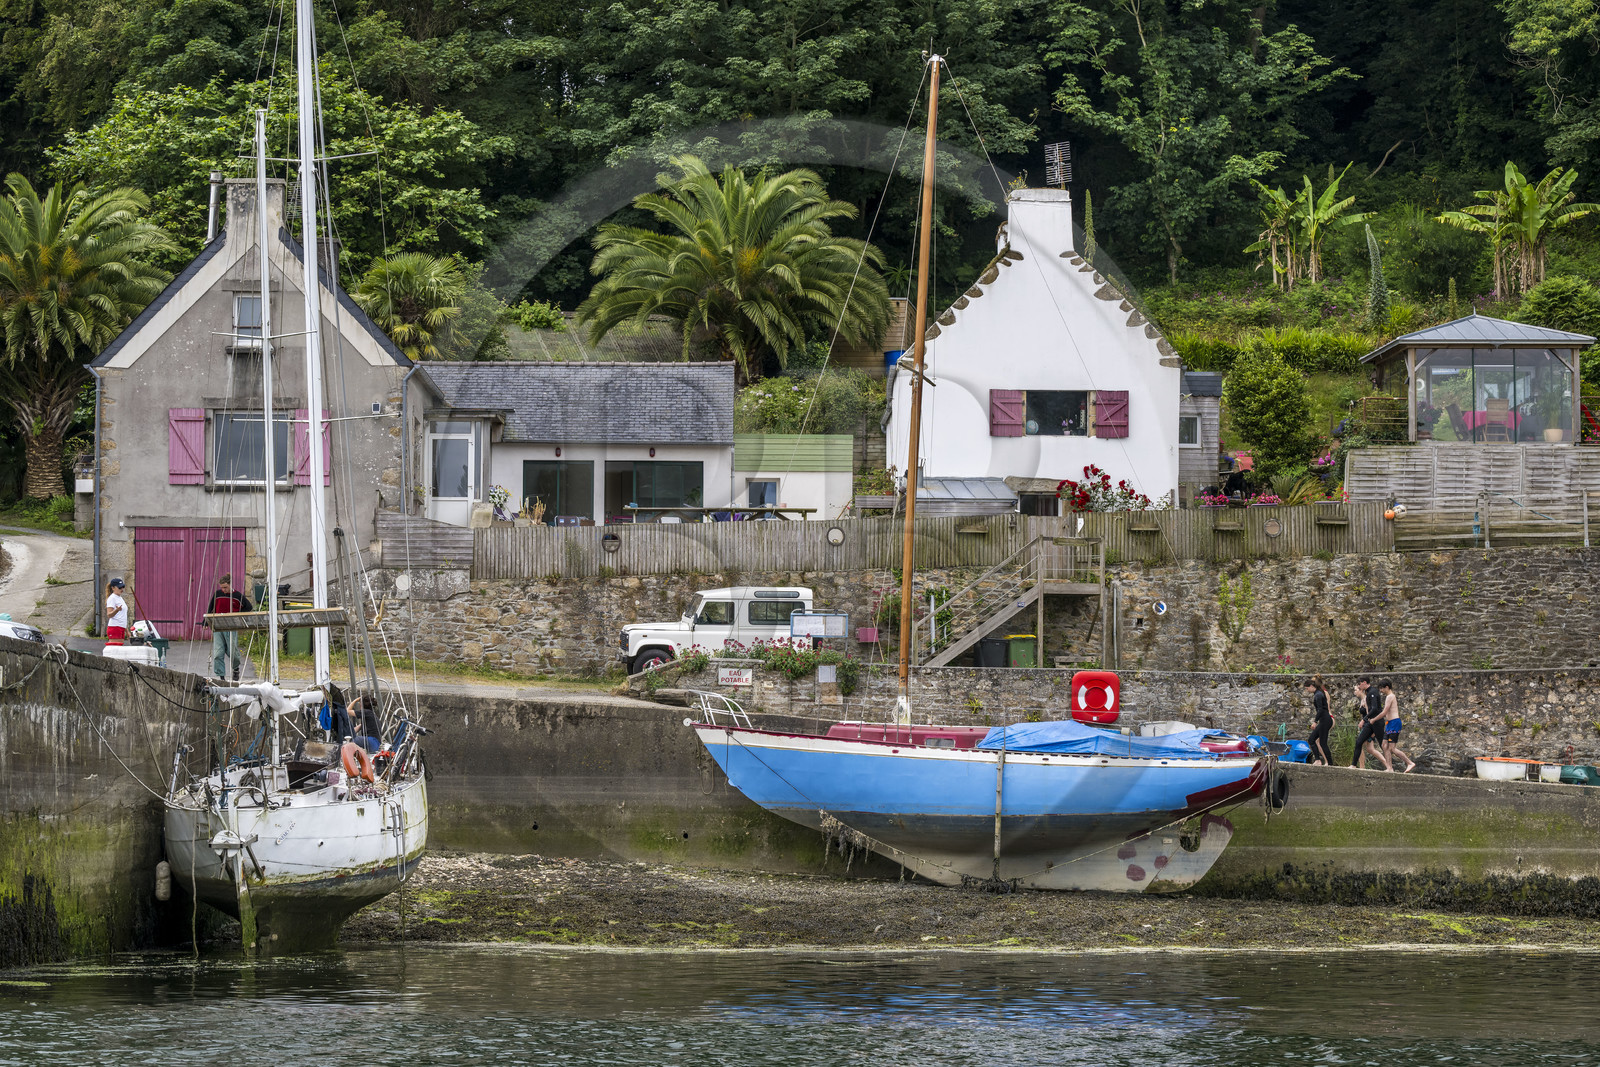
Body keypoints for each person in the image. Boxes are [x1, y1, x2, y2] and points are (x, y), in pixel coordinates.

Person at [207, 573, 252, 682]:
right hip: (218, 626)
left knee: (232, 652)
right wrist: (205, 621)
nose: (223, 590)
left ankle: (235, 668)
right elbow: (211, 608)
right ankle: (221, 677)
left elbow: (248, 607)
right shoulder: (218, 594)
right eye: (222, 587)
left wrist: (238, 615)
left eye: (225, 587)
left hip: (231, 626)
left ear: (230, 585)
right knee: (218, 653)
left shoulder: (237, 596)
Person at [1350, 677, 1391, 771]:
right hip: (1370, 722)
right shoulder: (1368, 693)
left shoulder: (1373, 692)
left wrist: (1364, 719)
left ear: (1364, 682)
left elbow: (1375, 709)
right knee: (1359, 742)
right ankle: (1353, 765)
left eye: (1359, 684)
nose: (1359, 686)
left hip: (1377, 722)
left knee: (1382, 744)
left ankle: (1390, 767)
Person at [1379, 680, 1417, 773]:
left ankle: (1409, 763)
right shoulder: (1388, 697)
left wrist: (1373, 719)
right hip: (1389, 724)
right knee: (1384, 745)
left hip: (1394, 723)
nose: (1380, 690)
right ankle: (1389, 768)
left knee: (1392, 748)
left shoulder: (1390, 696)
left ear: (1387, 687)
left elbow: (1385, 711)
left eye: (1381, 688)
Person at [1305, 675, 1333, 765]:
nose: (1307, 690)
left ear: (1311, 686)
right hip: (1324, 720)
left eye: (1307, 688)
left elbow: (1320, 710)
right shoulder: (1318, 693)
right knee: (1311, 740)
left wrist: (1315, 722)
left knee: (1322, 743)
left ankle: (1330, 763)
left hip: (1325, 720)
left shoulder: (1318, 695)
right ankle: (1318, 760)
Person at [104, 578, 129, 645]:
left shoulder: (120, 598)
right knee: (115, 648)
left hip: (121, 626)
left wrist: (127, 631)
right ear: (113, 588)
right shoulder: (112, 598)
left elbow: (123, 616)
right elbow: (109, 615)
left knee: (119, 648)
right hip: (115, 626)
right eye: (119, 587)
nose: (122, 589)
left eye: (122, 587)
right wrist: (117, 610)